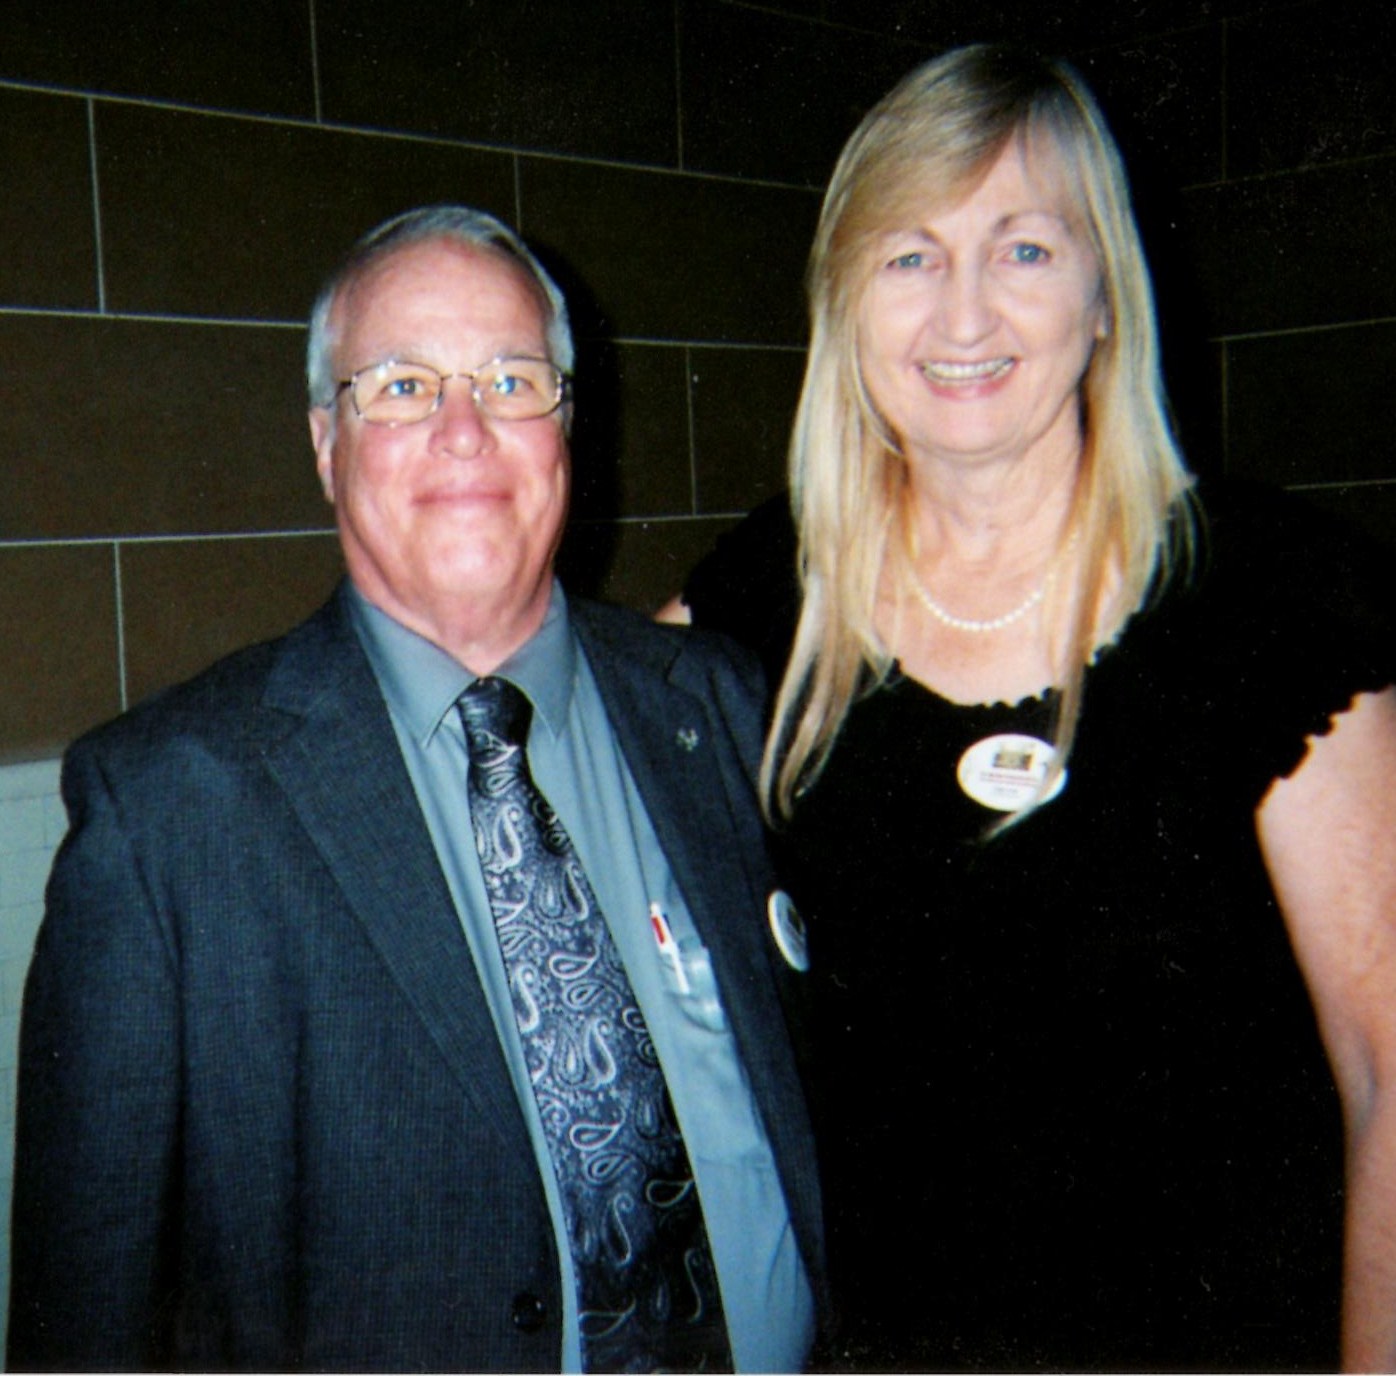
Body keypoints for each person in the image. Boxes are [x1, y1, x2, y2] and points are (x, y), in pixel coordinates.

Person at [668, 44, 1396, 1373]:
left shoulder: (1268, 598)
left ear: (1108, 294)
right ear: (843, 304)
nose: (962, 318)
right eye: (909, 257)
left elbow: (1388, 1073)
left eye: (1023, 251)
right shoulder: (760, 607)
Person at [8, 206, 824, 1372]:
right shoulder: (166, 816)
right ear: (325, 443)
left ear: (567, 428)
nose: (461, 431)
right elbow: (79, 1324)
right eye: (397, 386)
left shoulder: (717, 707)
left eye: (509, 378)